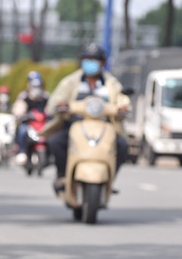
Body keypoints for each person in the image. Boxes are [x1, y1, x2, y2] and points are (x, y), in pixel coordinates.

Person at [41, 43, 130, 193]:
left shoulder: (111, 83)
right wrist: (60, 105)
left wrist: (123, 107)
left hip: (104, 128)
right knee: (55, 142)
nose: (91, 62)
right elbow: (54, 102)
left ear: (102, 62)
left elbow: (122, 100)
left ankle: (109, 179)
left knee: (122, 146)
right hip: (74, 126)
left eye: (95, 59)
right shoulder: (70, 82)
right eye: (87, 59)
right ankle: (62, 175)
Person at [12, 71, 50, 165]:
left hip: (42, 123)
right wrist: (21, 114)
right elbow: (18, 109)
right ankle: (21, 150)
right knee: (22, 130)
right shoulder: (24, 96)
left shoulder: (46, 96)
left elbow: (51, 108)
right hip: (28, 123)